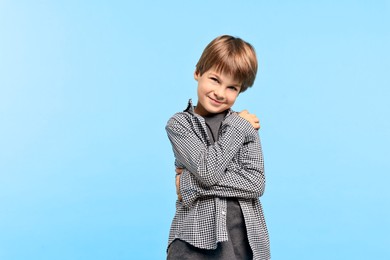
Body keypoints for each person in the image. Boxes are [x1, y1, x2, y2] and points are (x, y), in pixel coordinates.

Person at [165, 35, 270, 260]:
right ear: (197, 73)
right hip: (192, 244)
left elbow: (255, 184)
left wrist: (188, 184)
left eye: (232, 87)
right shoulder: (180, 124)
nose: (220, 93)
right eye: (214, 79)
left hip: (241, 242)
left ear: (240, 91)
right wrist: (237, 128)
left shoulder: (246, 125)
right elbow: (207, 170)